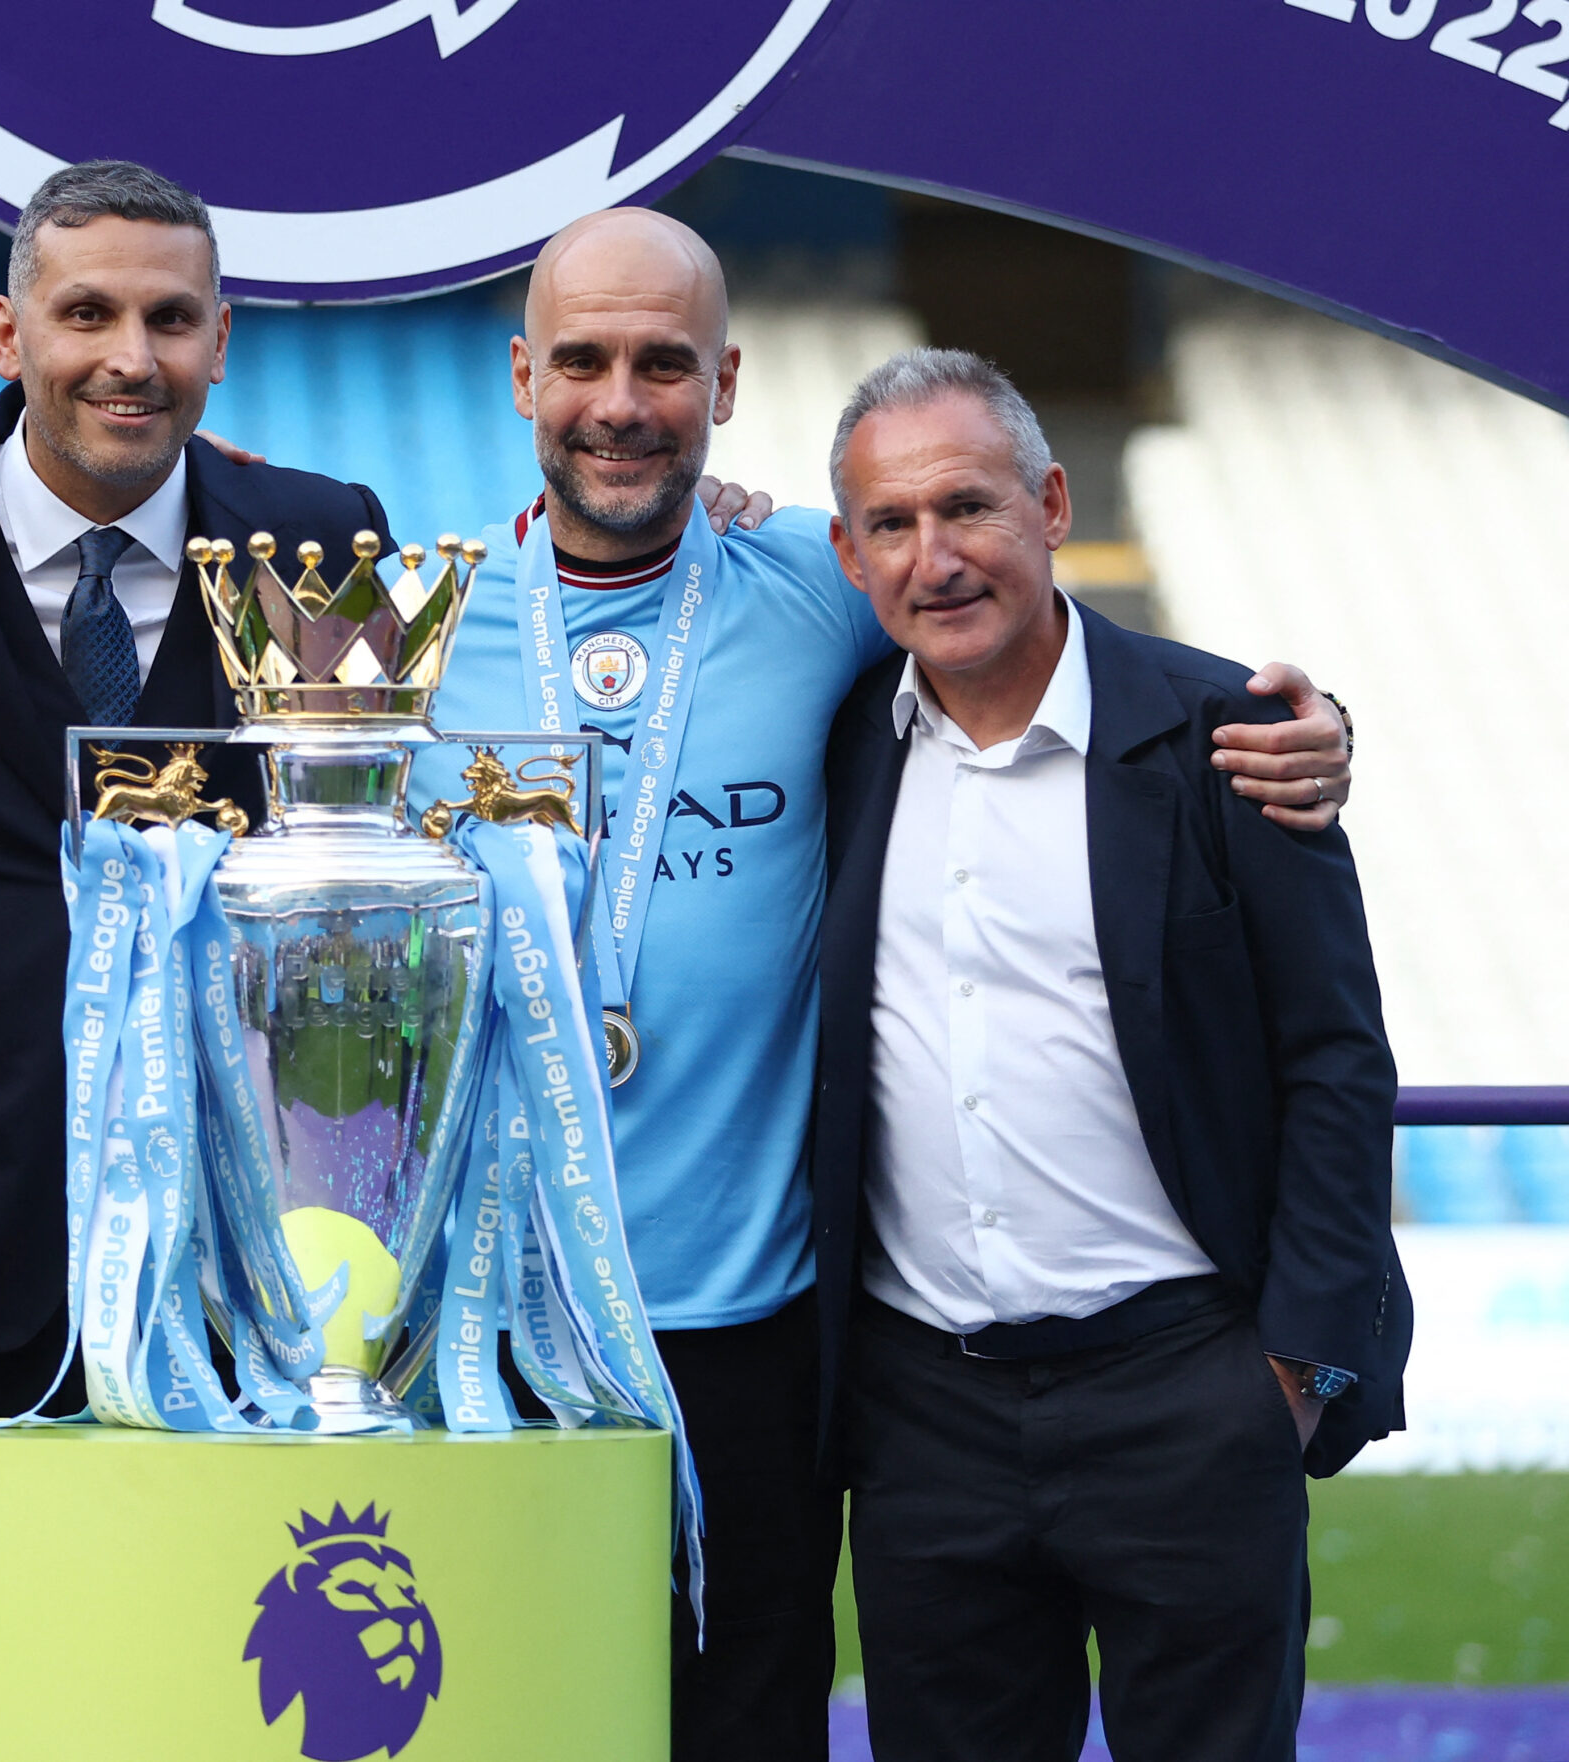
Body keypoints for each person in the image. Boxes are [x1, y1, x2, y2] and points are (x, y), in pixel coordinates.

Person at [412, 209, 1357, 1759]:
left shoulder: (816, 581)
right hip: (505, 1331)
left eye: (664, 362)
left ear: (725, 380)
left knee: (753, 1726)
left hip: (770, 1343)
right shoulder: (411, 620)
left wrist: (1317, 733)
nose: (622, 398)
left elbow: (1065, 644)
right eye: (582, 358)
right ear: (524, 376)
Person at [0, 159, 389, 1761]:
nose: (132, 354)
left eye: (171, 317)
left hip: (242, 1282)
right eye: (89, 311)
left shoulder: (325, 551)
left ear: (222, 340)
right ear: (7, 331)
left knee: (197, 1708)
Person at [811, 348, 1407, 1762]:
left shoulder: (1234, 740)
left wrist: (1294, 1370)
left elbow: (1338, 1055)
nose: (934, 556)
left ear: (1054, 501)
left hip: (1189, 1397)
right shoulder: (834, 743)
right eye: (890, 524)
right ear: (845, 552)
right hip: (924, 1417)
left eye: (969, 507)